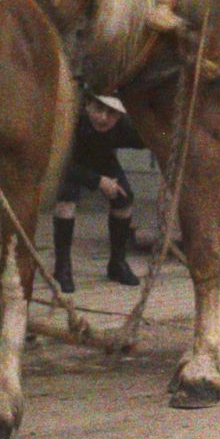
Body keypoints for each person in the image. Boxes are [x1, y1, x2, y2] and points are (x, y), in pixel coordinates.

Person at [52, 94, 143, 292]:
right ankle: (62, 267)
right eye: (99, 109)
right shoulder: (71, 121)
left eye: (111, 113)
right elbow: (60, 163)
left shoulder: (124, 126)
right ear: (87, 105)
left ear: (120, 115)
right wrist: (99, 181)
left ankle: (117, 263)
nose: (103, 117)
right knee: (66, 203)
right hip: (70, 162)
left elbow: (151, 138)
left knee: (124, 199)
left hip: (102, 160)